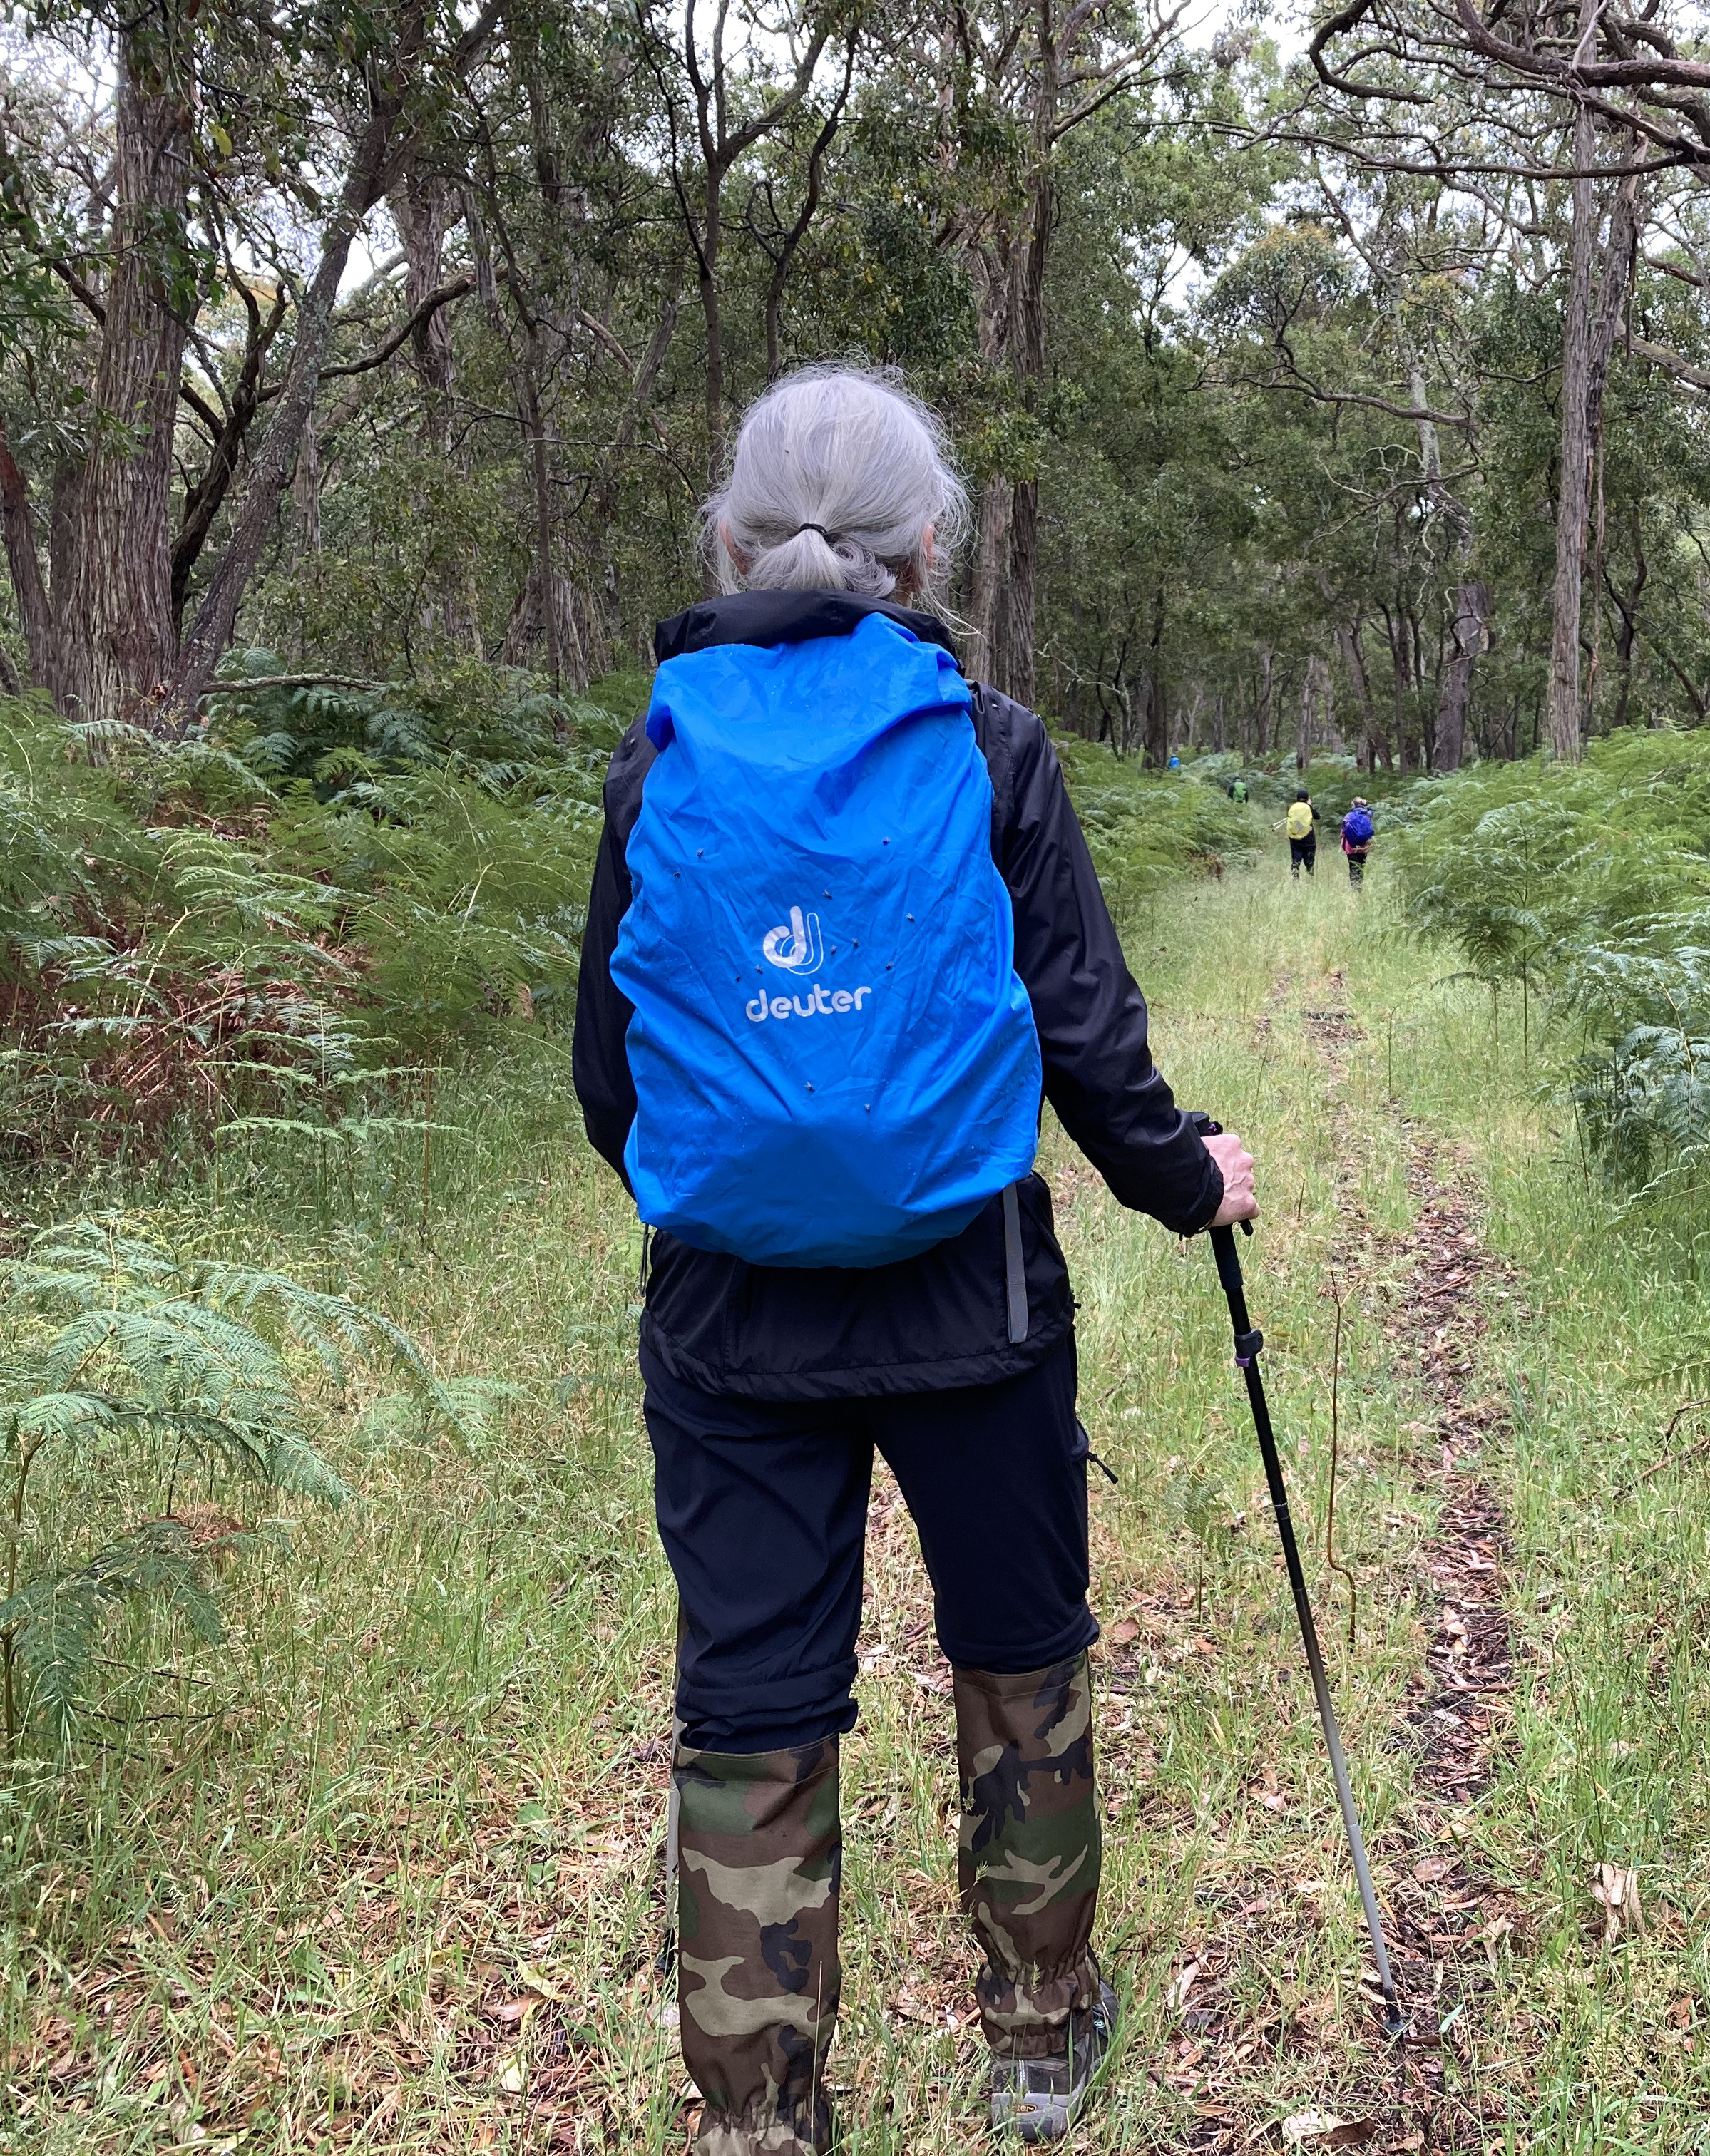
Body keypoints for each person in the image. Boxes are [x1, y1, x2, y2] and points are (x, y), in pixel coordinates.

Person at [573, 364, 1259, 2155]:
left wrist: (747, 1179)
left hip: (729, 1327)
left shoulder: (661, 754)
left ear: (733, 542)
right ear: (929, 547)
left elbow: (610, 1082)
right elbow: (1090, 1047)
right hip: (978, 1302)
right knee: (1019, 1662)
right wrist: (1191, 1181)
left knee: (751, 1711)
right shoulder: (987, 743)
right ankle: (1036, 2044)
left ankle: (759, 2121)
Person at [1341, 797, 1375, 887]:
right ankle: (1360, 887)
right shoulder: (1367, 816)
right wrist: (1366, 805)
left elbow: (1343, 832)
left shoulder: (1348, 816)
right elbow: (1372, 810)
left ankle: (1354, 888)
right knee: (1361, 868)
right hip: (1364, 847)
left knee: (1353, 868)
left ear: (1353, 804)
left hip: (1351, 848)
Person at [1284, 789, 1316, 877]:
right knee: (1309, 860)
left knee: (1296, 859)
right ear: (1307, 798)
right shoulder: (1308, 807)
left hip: (1294, 838)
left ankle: (1295, 878)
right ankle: (1310, 877)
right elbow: (1317, 816)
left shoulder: (1293, 807)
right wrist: (1310, 805)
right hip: (1308, 838)